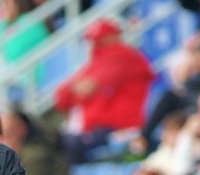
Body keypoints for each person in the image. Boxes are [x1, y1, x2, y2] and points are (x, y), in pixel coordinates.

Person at [53, 18, 155, 162]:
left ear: (115, 36)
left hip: (118, 129)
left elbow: (91, 85)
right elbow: (61, 98)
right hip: (96, 130)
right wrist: (77, 88)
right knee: (55, 144)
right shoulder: (96, 62)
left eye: (102, 38)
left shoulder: (125, 56)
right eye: (95, 40)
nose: (97, 44)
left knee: (62, 147)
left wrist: (80, 88)